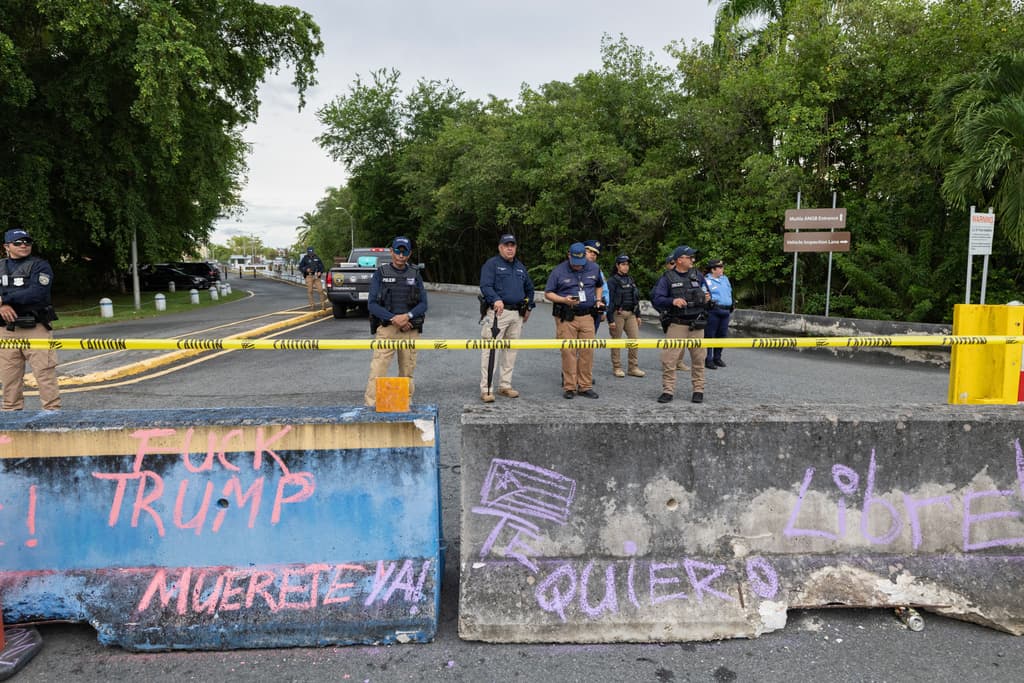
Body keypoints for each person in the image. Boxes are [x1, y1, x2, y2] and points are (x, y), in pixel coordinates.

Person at [363, 236, 428, 407]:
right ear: (391, 251)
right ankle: (370, 406)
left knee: (407, 372)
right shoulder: (381, 273)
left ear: (409, 253)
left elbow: (423, 304)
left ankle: (406, 405)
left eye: (404, 252)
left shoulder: (415, 274)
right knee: (377, 371)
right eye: (398, 251)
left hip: (410, 329)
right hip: (387, 329)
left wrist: (408, 316)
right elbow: (372, 304)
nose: (401, 255)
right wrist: (393, 318)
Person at [0, 229, 61, 411]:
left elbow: (36, 294)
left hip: (36, 327)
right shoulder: (0, 266)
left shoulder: (40, 266)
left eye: (27, 242)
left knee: (44, 373)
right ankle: (11, 414)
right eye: (18, 242)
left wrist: (5, 299)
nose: (24, 245)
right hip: (6, 330)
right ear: (6, 246)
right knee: (9, 376)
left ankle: (52, 414)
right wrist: (1, 306)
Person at [478, 233, 535, 402]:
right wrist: (495, 299)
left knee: (511, 352)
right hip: (498, 314)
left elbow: (530, 289)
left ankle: (505, 386)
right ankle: (487, 389)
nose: (510, 249)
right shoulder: (492, 264)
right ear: (500, 247)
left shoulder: (520, 267)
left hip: (516, 314)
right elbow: (485, 286)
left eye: (512, 246)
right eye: (506, 246)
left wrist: (529, 306)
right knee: (490, 351)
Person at [544, 242, 604, 399]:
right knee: (568, 352)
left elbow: (599, 285)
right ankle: (569, 386)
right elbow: (548, 293)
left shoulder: (594, 268)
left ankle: (585, 386)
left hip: (587, 316)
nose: (578, 266)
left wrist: (598, 300)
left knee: (587, 352)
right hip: (567, 316)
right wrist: (563, 300)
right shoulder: (558, 271)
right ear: (569, 255)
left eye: (581, 262)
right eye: (575, 262)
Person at [651, 245, 710, 404]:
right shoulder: (667, 278)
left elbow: (707, 293)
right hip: (677, 324)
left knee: (699, 359)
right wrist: (673, 301)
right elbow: (657, 298)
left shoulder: (697, 275)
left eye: (692, 257)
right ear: (679, 260)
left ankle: (698, 390)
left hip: (697, 324)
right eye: (689, 257)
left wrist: (706, 298)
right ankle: (668, 390)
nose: (692, 260)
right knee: (669, 360)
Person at [606, 254, 645, 378]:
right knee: (616, 341)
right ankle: (617, 367)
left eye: (627, 264)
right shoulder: (612, 281)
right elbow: (609, 301)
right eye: (623, 264)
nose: (626, 267)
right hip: (618, 314)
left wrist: (638, 315)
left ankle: (633, 367)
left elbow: (635, 298)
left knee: (634, 340)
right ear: (617, 265)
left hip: (631, 313)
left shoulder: (630, 279)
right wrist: (610, 320)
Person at [704, 258, 734, 370]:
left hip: (726, 311)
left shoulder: (725, 279)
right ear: (713, 269)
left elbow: (729, 292)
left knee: (722, 335)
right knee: (710, 335)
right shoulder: (706, 280)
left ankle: (717, 357)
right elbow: (704, 295)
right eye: (720, 267)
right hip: (713, 311)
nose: (722, 269)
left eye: (722, 267)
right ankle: (708, 359)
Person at [583, 240, 609, 334]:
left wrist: (604, 311)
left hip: (594, 311)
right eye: (590, 251)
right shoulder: (574, 267)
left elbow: (605, 291)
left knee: (590, 340)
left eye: (595, 253)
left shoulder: (598, 271)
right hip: (577, 311)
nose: (593, 254)